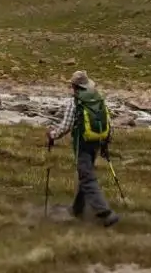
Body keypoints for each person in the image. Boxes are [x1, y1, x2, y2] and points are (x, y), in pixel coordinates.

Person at [45, 70, 121, 227]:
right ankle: (77, 209)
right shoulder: (98, 98)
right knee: (85, 173)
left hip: (82, 144)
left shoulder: (74, 102)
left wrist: (52, 135)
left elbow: (65, 127)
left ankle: (105, 213)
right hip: (97, 141)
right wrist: (106, 143)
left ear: (74, 86)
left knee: (87, 178)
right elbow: (108, 123)